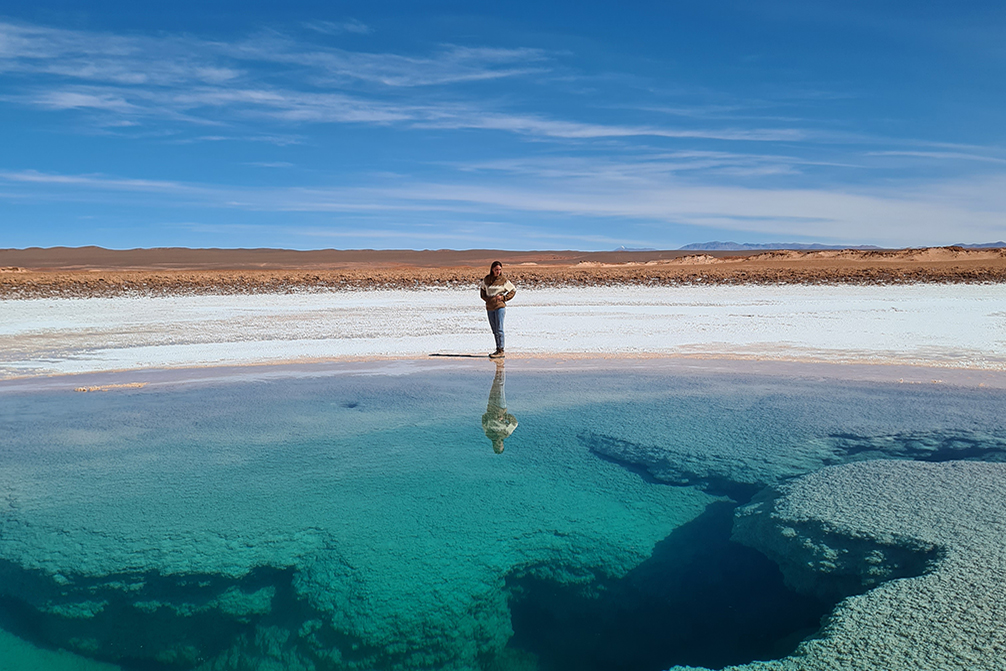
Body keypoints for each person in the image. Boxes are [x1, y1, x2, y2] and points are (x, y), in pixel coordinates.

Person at [479, 261, 516, 359]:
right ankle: (497, 349)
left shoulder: (503, 280)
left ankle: (501, 350)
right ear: (492, 269)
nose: (498, 272)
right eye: (496, 270)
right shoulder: (487, 279)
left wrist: (503, 298)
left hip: (499, 307)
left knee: (499, 329)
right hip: (490, 307)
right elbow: (482, 291)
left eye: (499, 270)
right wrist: (487, 299)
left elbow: (513, 290)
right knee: (494, 329)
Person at [482, 361, 517, 454]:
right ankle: (500, 365)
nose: (498, 444)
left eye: (497, 446)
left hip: (490, 406)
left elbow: (483, 419)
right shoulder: (506, 433)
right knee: (500, 384)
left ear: (494, 446)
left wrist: (489, 415)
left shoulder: (488, 434)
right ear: (502, 444)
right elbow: (515, 423)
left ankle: (499, 367)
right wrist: (505, 417)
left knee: (495, 384)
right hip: (501, 407)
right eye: (500, 446)